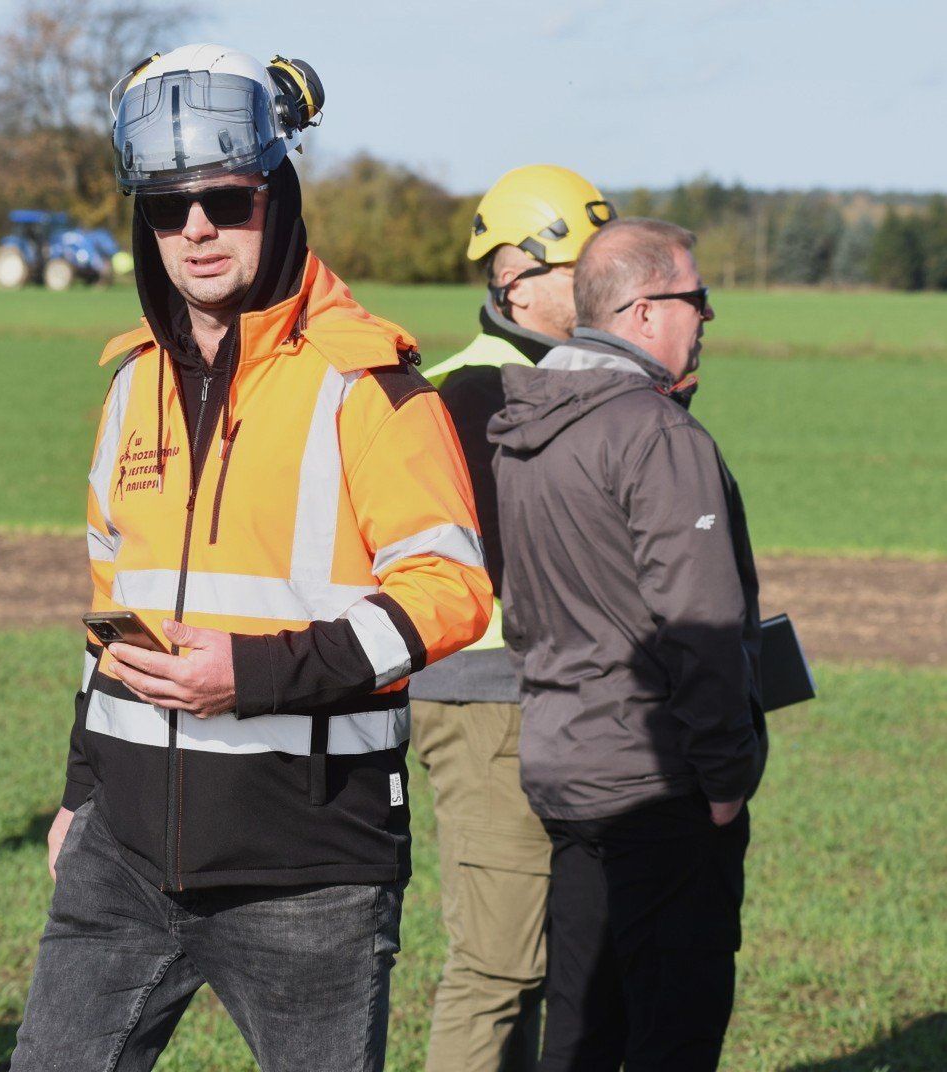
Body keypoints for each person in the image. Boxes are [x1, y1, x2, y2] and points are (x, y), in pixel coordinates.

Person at [11, 45, 492, 1071]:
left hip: (308, 871)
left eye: (225, 200)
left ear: (275, 193)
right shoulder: (128, 387)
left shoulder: (371, 386)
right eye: (166, 204)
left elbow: (449, 593)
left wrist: (253, 675)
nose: (194, 229)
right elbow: (112, 610)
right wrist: (79, 793)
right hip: (123, 855)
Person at [490, 218, 763, 1071]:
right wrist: (724, 780)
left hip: (564, 771)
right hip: (659, 786)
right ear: (645, 312)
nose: (706, 317)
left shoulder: (526, 429)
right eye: (696, 299)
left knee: (580, 1023)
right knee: (673, 1029)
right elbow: (703, 627)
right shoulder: (657, 436)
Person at [407, 165, 616, 1072]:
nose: (608, 289)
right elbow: (516, 565)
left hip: (560, 699)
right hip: (491, 703)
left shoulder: (586, 382)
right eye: (585, 269)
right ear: (515, 277)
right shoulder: (472, 394)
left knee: (554, 959)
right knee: (498, 965)